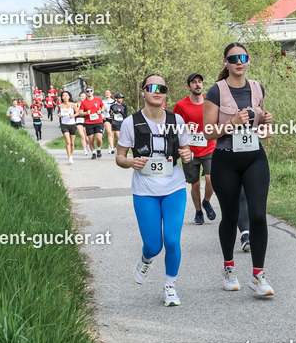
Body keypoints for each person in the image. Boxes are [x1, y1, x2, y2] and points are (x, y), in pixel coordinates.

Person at [202, 42, 274, 296]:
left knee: (257, 216)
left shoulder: (257, 87)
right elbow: (208, 132)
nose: (238, 62)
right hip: (226, 159)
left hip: (254, 158)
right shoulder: (216, 91)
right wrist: (231, 122)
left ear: (248, 60)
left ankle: (258, 275)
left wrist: (265, 122)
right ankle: (229, 269)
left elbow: (262, 129)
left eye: (242, 57)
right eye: (233, 59)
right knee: (230, 217)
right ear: (226, 63)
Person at [116, 74, 194, 307]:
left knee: (171, 240)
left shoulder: (176, 120)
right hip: (144, 190)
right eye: (152, 87)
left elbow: (186, 150)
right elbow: (120, 157)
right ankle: (146, 259)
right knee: (153, 245)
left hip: (174, 187)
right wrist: (130, 162)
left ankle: (170, 286)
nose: (157, 91)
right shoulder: (131, 122)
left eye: (162, 87)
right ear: (143, 91)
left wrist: (188, 155)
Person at [173, 73, 218, 225]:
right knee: (196, 184)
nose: (197, 84)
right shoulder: (181, 105)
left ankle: (206, 201)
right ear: (188, 87)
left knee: (211, 179)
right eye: (194, 82)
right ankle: (198, 212)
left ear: (203, 85)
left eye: (200, 82)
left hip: (209, 146)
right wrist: (185, 127)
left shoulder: (210, 102)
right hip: (189, 149)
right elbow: (174, 127)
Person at [81, 86, 106, 158]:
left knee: (99, 138)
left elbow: (103, 107)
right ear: (86, 93)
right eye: (87, 91)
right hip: (89, 122)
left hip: (98, 121)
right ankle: (93, 153)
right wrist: (86, 113)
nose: (89, 92)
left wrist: (100, 111)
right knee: (91, 139)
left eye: (90, 91)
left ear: (93, 91)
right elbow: (80, 112)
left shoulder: (98, 100)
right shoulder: (84, 102)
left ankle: (98, 149)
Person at [58, 90, 78, 164]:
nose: (65, 97)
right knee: (68, 142)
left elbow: (78, 112)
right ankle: (69, 157)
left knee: (72, 143)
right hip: (64, 124)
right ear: (62, 97)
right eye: (63, 96)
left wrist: (73, 115)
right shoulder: (60, 105)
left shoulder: (72, 105)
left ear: (69, 97)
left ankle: (71, 155)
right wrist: (59, 115)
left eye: (66, 95)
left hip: (72, 124)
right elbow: (59, 113)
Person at [102, 89, 118, 154]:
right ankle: (111, 148)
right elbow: (100, 109)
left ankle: (111, 145)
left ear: (111, 94)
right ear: (104, 94)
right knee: (109, 132)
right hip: (106, 118)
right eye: (106, 93)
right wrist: (102, 116)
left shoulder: (114, 101)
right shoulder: (102, 101)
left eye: (108, 93)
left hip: (113, 118)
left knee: (113, 133)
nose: (107, 94)